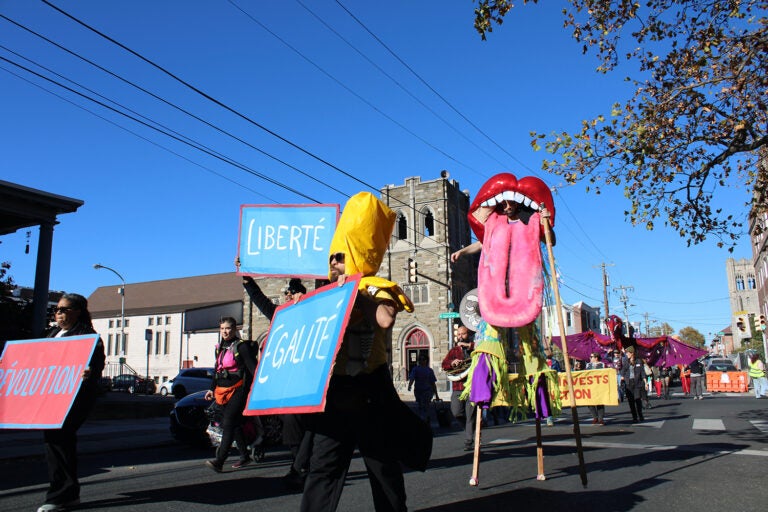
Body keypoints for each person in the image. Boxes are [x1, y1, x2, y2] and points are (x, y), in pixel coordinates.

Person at [301, 192, 417, 512]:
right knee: (323, 467)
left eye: (341, 257)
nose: (334, 263)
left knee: (382, 468)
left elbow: (385, 318)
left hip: (370, 389)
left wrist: (356, 289)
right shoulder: (324, 290)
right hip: (336, 391)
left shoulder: (377, 286)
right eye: (332, 257)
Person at [240, 271, 312, 489]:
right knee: (287, 423)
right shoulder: (281, 315)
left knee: (296, 423)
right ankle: (299, 465)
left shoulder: (311, 316)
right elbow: (262, 302)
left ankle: (300, 468)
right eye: (287, 293)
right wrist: (248, 282)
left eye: (291, 293)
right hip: (285, 382)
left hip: (305, 381)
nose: (288, 296)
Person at [38, 293, 105, 512]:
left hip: (73, 398)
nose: (58, 313)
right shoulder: (51, 334)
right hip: (50, 396)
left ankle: (60, 495)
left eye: (63, 309)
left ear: (78, 311)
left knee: (60, 439)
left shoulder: (88, 337)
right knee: (55, 442)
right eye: (56, 309)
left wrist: (90, 373)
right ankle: (67, 493)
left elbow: (96, 365)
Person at [204, 317, 257, 472]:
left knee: (228, 423)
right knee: (234, 424)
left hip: (238, 390)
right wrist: (211, 389)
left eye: (227, 328)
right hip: (222, 391)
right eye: (222, 329)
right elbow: (217, 371)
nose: (224, 332)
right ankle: (244, 456)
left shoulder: (241, 347)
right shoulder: (219, 348)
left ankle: (219, 460)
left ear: (234, 329)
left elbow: (253, 369)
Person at [441, 325, 477, 451]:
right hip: (458, 386)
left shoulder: (474, 349)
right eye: (459, 334)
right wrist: (452, 363)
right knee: (456, 412)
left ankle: (469, 440)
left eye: (463, 334)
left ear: (469, 335)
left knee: (470, 415)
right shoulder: (454, 351)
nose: (460, 336)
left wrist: (469, 346)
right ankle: (470, 429)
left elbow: (482, 349)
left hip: (472, 387)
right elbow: (444, 364)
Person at [407, 355, 438, 423]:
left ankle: (424, 419)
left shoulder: (429, 370)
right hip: (418, 391)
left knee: (425, 404)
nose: (421, 361)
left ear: (426, 360)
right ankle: (425, 417)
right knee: (421, 405)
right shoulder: (415, 369)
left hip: (427, 390)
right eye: (420, 359)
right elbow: (412, 378)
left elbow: (433, 383)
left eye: (423, 359)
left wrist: (436, 394)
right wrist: (409, 385)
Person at [619, 346, 646, 423]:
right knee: (631, 401)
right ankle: (634, 417)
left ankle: (640, 415)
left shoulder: (639, 361)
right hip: (629, 383)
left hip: (637, 383)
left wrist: (645, 381)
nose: (626, 354)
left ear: (632, 353)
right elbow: (622, 371)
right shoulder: (626, 362)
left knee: (637, 400)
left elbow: (642, 372)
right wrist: (622, 376)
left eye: (627, 353)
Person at [585, 352, 605, 425]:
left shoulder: (601, 364)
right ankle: (595, 417)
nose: (590, 358)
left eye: (591, 357)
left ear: (596, 358)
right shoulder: (588, 365)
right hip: (590, 386)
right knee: (590, 403)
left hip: (599, 386)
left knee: (600, 402)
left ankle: (601, 419)